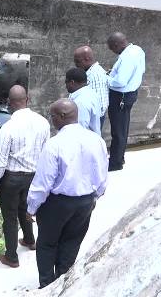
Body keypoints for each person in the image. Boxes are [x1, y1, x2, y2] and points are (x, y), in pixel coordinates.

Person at [26, 98, 108, 288]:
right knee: (71, 243)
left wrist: (31, 208)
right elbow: (102, 176)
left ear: (62, 116)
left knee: (47, 244)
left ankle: (46, 286)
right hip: (85, 202)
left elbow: (43, 183)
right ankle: (63, 284)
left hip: (57, 203)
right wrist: (94, 197)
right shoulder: (96, 140)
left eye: (52, 116)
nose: (51, 120)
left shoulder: (55, 144)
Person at [0, 85, 50, 268]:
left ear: (9, 103)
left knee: (10, 218)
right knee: (26, 209)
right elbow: (46, 153)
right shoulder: (43, 122)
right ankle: (30, 240)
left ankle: (11, 257)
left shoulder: (8, 128)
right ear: (27, 99)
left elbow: (0, 161)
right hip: (32, 176)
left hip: (11, 179)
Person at [107, 32, 146, 171]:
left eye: (112, 48)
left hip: (120, 97)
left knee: (118, 131)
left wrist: (106, 79)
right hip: (130, 94)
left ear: (117, 44)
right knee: (123, 128)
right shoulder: (137, 49)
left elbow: (120, 82)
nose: (112, 51)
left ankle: (115, 163)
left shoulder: (127, 57)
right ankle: (119, 158)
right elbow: (140, 71)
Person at [74, 46, 108, 129]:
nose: (76, 65)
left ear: (87, 59)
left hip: (91, 119)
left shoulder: (95, 75)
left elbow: (100, 105)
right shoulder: (89, 72)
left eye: (78, 61)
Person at [65, 67, 101, 135]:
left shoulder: (80, 102)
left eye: (66, 82)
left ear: (72, 82)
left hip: (85, 141)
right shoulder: (92, 93)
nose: (66, 86)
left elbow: (80, 128)